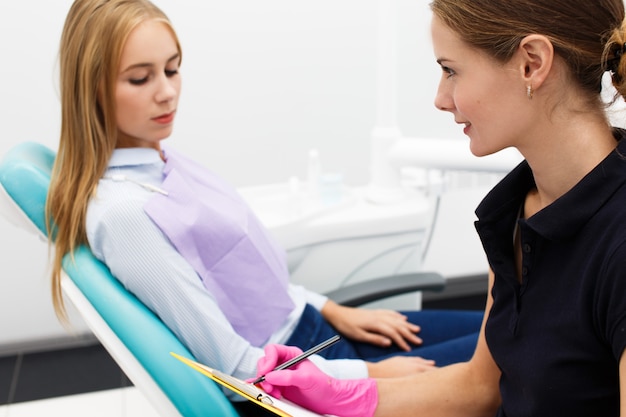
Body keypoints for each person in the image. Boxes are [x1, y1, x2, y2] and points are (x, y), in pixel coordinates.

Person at [45, 0, 483, 412]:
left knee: (508, 329)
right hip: (301, 375)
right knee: (515, 357)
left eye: (173, 69)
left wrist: (333, 309)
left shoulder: (160, 161)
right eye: (141, 78)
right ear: (93, 88)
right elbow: (235, 368)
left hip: (315, 334)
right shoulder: (124, 213)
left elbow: (241, 278)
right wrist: (369, 374)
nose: (167, 93)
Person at [251, 1, 626, 416]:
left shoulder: (617, 243)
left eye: (451, 70)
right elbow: (481, 388)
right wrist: (338, 394)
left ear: (531, 63)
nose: (440, 98)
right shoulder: (521, 208)